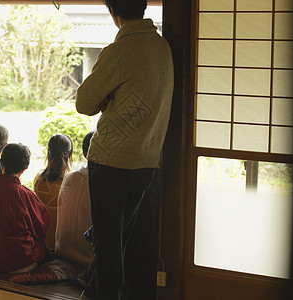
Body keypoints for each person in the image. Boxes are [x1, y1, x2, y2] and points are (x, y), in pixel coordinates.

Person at [75, 0, 174, 298]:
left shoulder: (117, 52)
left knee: (107, 246)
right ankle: (94, 294)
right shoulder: (163, 48)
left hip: (110, 162)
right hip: (145, 163)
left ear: (113, 12)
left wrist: (109, 99)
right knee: (122, 242)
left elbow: (84, 103)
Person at [0, 143, 50, 274]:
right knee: (44, 250)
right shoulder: (25, 195)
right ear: (24, 169)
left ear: (1, 163)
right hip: (19, 259)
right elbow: (41, 229)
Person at [55, 131, 95, 269]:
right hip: (87, 260)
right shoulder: (104, 184)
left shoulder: (69, 178)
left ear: (84, 154)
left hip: (61, 250)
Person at [33, 133, 73, 249]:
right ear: (69, 155)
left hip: (42, 245)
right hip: (63, 246)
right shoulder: (71, 183)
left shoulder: (38, 180)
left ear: (48, 153)